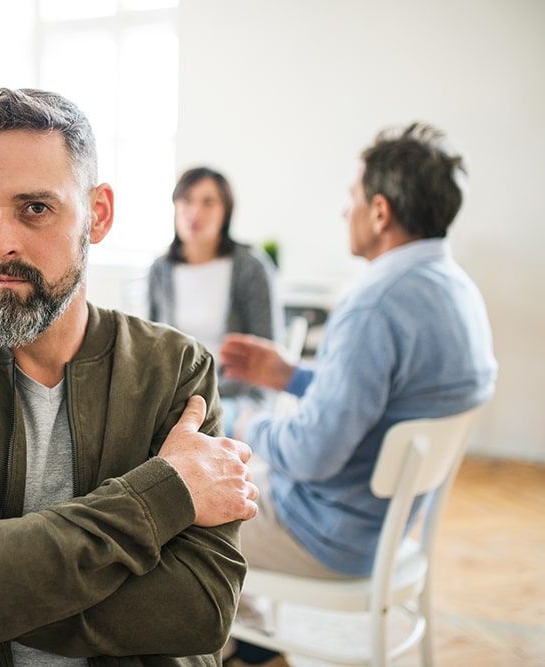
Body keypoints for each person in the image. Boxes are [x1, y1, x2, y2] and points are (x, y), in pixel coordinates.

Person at [0, 88, 260, 666]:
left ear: (97, 214)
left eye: (35, 208)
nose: (0, 243)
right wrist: (164, 493)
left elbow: (200, 608)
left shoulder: (175, 372)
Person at [217, 123, 497, 666]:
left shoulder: (374, 305)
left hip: (331, 537)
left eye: (350, 198)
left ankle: (242, 652)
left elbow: (310, 453)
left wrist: (243, 424)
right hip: (390, 527)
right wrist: (292, 377)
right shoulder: (458, 290)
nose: (342, 212)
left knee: (183, 512)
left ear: (380, 212)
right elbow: (389, 405)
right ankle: (252, 649)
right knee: (238, 480)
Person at [148, 167, 283, 426]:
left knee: (210, 427)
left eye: (208, 202)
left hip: (237, 397)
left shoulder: (251, 267)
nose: (195, 212)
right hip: (176, 397)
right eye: (187, 200)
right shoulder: (160, 270)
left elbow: (268, 350)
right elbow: (152, 347)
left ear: (226, 211)